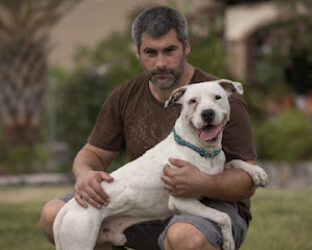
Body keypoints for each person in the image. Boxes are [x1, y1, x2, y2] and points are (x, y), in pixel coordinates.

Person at [40, 6, 257, 250]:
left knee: (185, 236)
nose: (161, 63)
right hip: (144, 208)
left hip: (210, 207)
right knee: (54, 213)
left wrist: (201, 183)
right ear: (138, 52)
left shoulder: (220, 100)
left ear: (186, 46)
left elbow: (247, 182)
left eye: (169, 51)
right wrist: (84, 174)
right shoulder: (125, 95)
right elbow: (93, 154)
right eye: (150, 53)